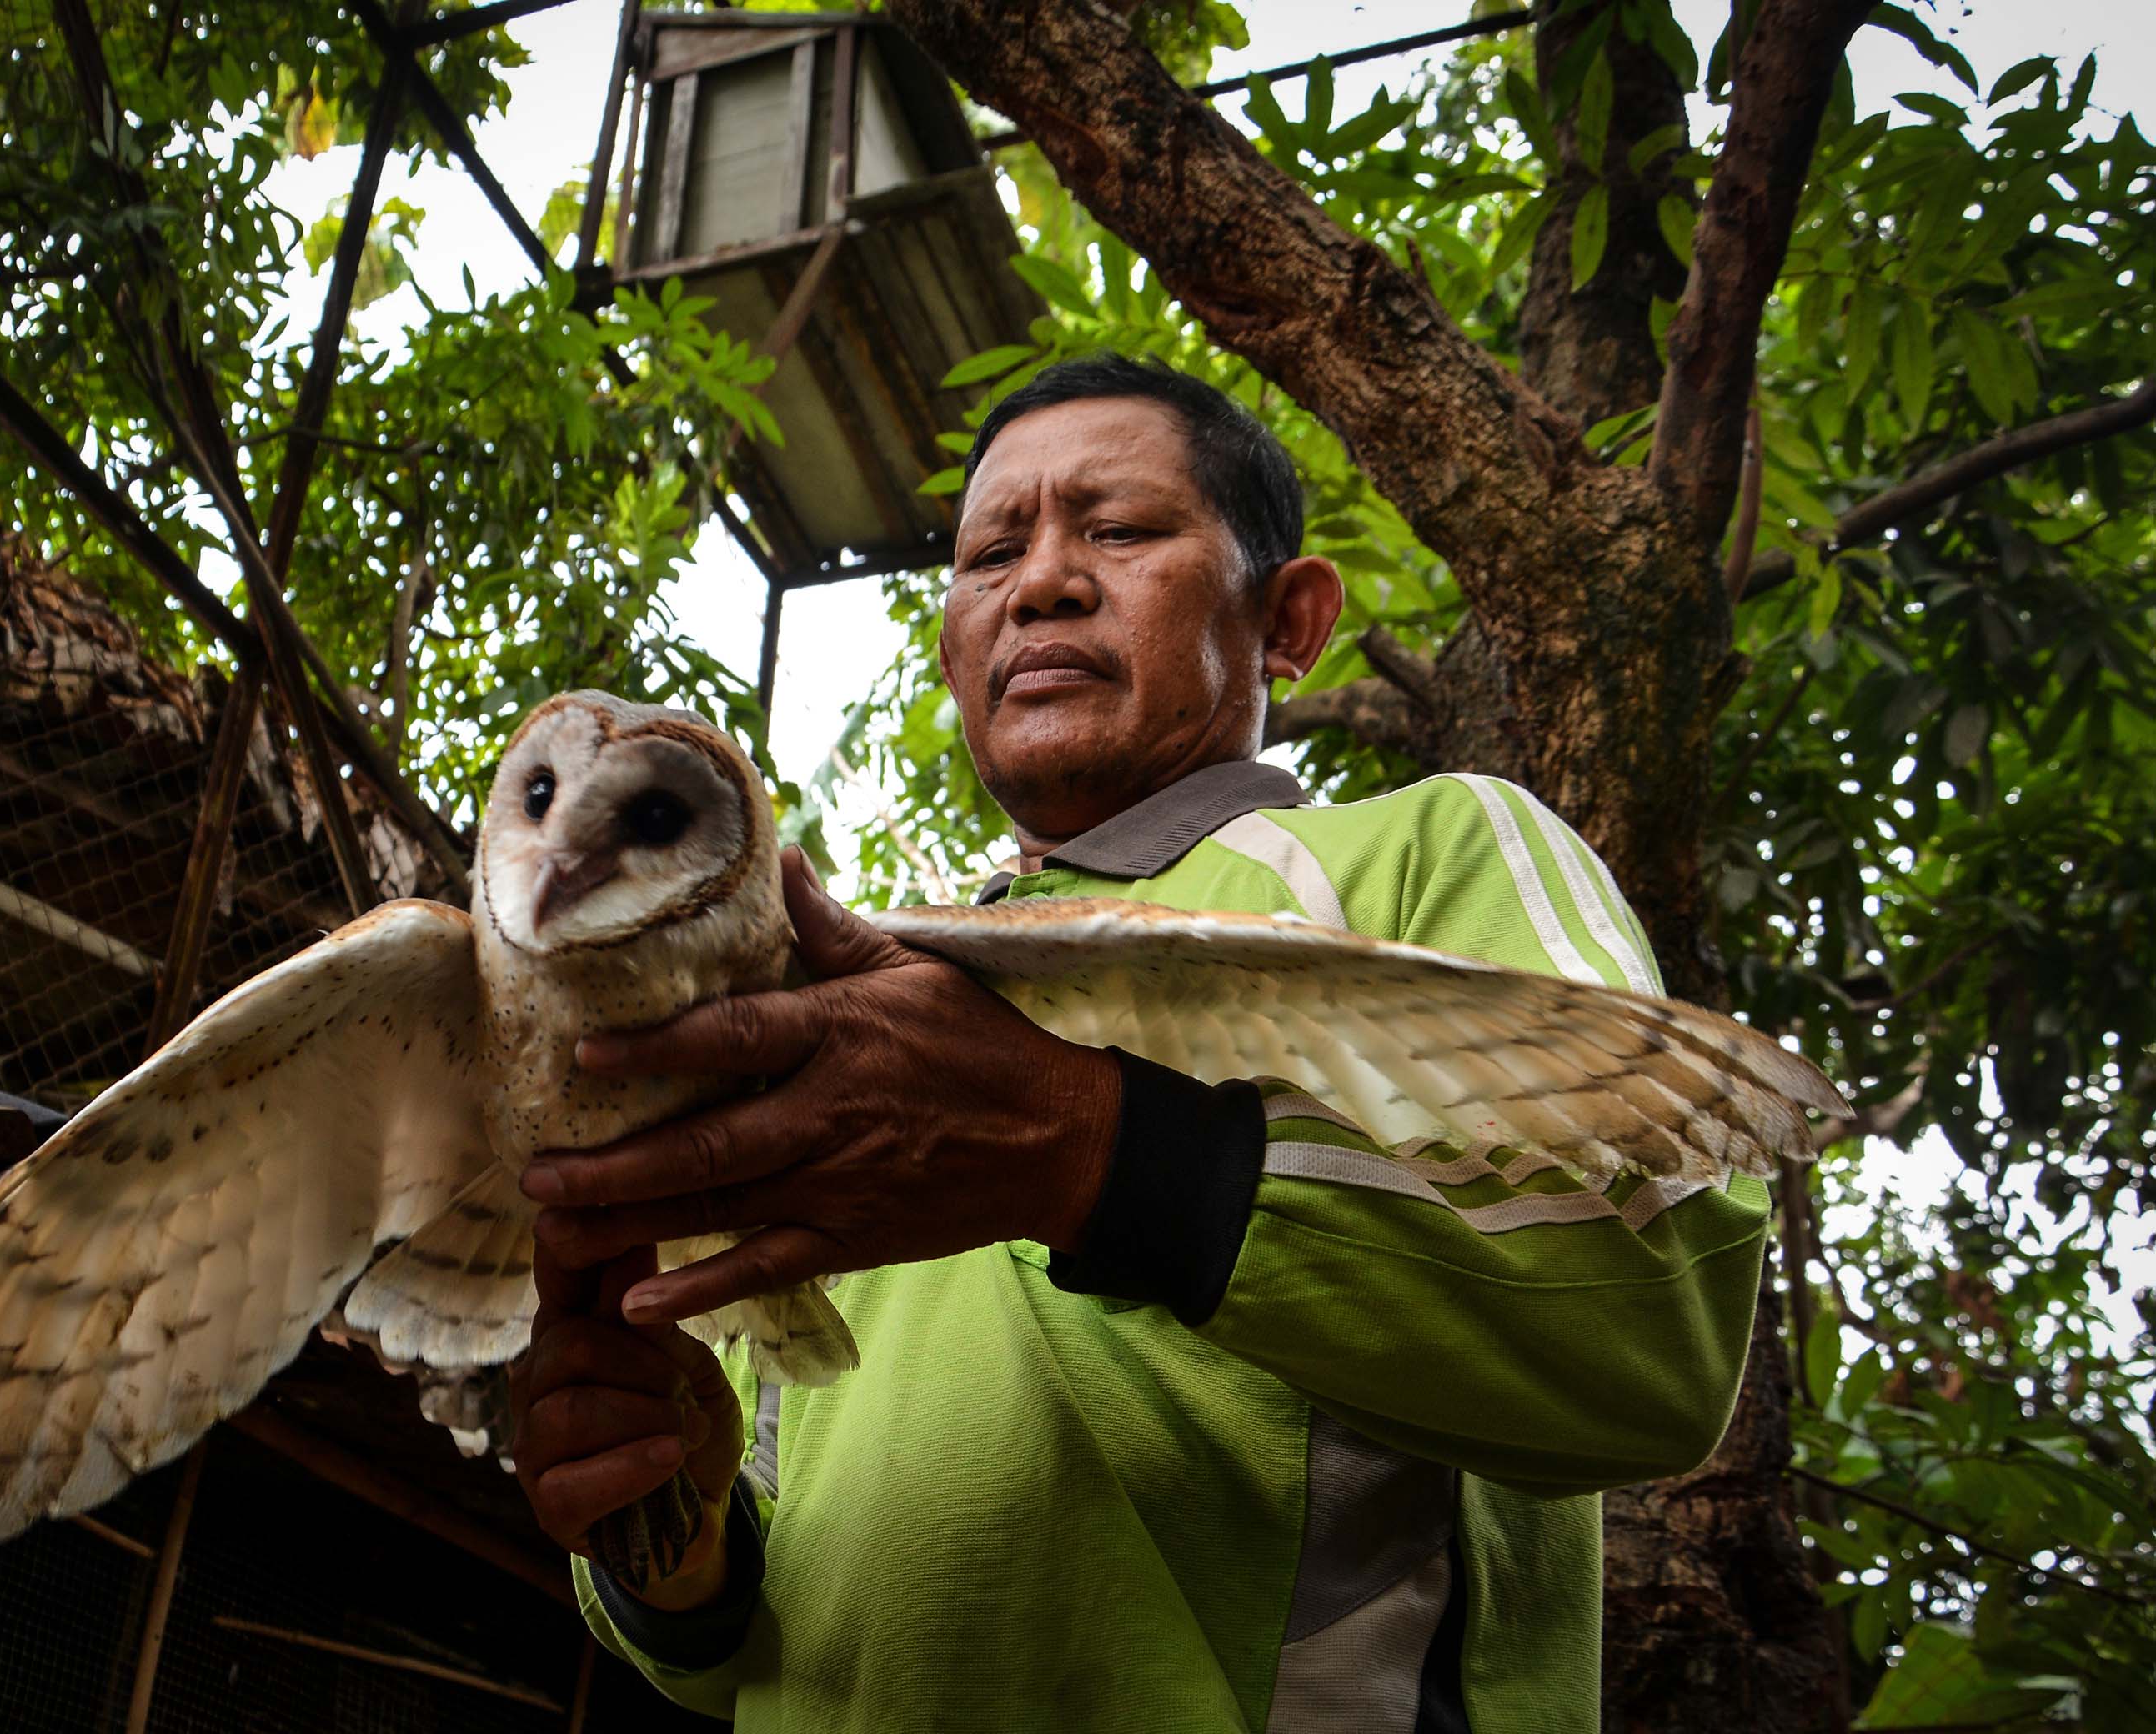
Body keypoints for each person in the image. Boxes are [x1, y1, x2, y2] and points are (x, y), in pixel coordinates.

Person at [504, 354, 1769, 1731]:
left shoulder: (1428, 852)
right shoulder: (855, 1017)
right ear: (952, 648)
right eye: (993, 550)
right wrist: (661, 1532)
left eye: (1116, 530)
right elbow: (736, 1625)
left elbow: (1650, 1323)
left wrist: (1089, 1150)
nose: (1040, 581)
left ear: (1287, 619)